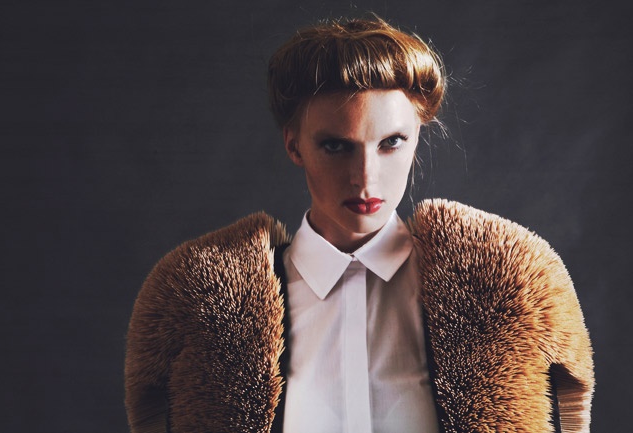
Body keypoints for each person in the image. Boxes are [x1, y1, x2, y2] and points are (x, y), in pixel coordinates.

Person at [124, 17, 594, 433]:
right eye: (336, 146)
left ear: (417, 138)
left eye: (391, 143)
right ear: (294, 145)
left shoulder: (507, 287)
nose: (365, 178)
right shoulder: (202, 300)